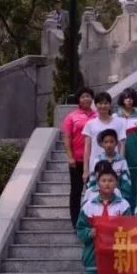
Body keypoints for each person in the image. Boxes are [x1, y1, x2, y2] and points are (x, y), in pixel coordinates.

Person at [61, 86, 96, 227]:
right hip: (77, 160)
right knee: (76, 191)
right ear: (78, 100)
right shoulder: (71, 117)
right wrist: (70, 157)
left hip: (94, 161)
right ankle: (76, 222)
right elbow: (67, 137)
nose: (86, 99)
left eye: (88, 96)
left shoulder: (97, 115)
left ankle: (91, 220)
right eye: (83, 96)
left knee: (93, 191)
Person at [115, 87, 137, 206]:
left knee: (133, 187)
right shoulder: (114, 117)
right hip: (117, 158)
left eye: (131, 98)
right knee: (118, 186)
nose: (129, 100)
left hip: (134, 159)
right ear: (122, 99)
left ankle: (132, 212)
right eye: (126, 98)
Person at [82, 93, 124, 182]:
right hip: (95, 165)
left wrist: (121, 163)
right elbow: (87, 148)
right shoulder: (90, 124)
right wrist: (85, 170)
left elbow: (122, 144)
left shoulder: (119, 122)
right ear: (96, 105)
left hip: (114, 165)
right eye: (100, 103)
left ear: (110, 104)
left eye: (106, 103)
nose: (103, 106)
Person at [84, 129, 132, 202]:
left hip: (117, 197)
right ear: (102, 144)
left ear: (116, 143)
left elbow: (126, 182)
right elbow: (93, 180)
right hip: (99, 197)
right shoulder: (97, 160)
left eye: (111, 142)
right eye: (106, 142)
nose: (108, 145)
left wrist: (123, 198)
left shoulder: (122, 161)